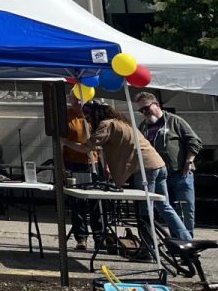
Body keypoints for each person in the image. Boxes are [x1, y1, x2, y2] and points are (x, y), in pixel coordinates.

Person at [81, 100, 192, 244]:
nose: (87, 120)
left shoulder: (107, 124)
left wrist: (64, 142)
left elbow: (88, 146)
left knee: (145, 211)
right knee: (164, 206)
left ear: (96, 114)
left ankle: (148, 249)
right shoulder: (123, 122)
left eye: (88, 116)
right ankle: (187, 240)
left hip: (144, 169)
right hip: (158, 164)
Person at [135, 91, 203, 234]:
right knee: (167, 208)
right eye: (141, 110)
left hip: (180, 172)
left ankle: (188, 240)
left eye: (146, 108)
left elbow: (194, 141)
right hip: (158, 175)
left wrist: (189, 161)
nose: (144, 112)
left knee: (186, 208)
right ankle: (176, 241)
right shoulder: (143, 126)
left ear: (156, 105)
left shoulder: (174, 121)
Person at [61, 92, 103, 249]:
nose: (78, 102)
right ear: (70, 100)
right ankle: (81, 237)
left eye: (80, 99)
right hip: (74, 163)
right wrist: (62, 167)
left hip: (94, 162)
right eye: (74, 99)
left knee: (96, 202)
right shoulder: (66, 116)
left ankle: (99, 236)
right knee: (78, 202)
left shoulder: (93, 115)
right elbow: (61, 143)